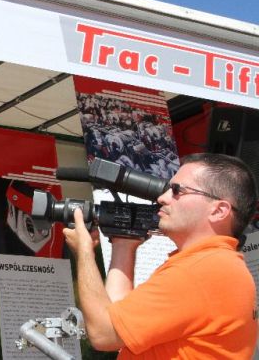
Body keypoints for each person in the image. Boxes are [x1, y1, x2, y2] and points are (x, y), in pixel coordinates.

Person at [64, 153, 258, 358]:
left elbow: (104, 334)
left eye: (177, 191)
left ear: (219, 210)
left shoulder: (200, 271)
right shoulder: (214, 266)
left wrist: (85, 252)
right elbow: (117, 323)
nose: (162, 198)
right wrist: (124, 245)